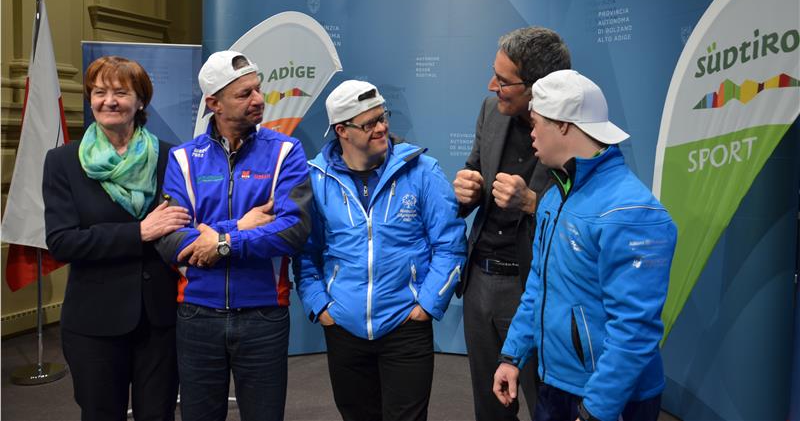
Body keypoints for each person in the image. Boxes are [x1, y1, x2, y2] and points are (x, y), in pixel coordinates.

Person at [493, 70, 677, 421]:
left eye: (536, 123)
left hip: (612, 400)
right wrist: (512, 356)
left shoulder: (631, 212)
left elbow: (634, 329)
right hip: (556, 385)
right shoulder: (554, 198)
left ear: (563, 125)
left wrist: (597, 410)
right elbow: (539, 286)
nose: (531, 134)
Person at [294, 80, 467, 421]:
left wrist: (427, 305)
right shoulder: (317, 178)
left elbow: (450, 244)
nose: (382, 127)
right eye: (369, 123)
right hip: (343, 327)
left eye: (382, 116)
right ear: (342, 130)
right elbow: (305, 253)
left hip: (406, 326)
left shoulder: (423, 171)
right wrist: (321, 306)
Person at [155, 50, 312, 421]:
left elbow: (294, 229)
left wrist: (223, 242)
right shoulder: (182, 159)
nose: (259, 99)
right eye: (244, 94)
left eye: (258, 89)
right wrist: (241, 226)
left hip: (264, 315)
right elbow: (169, 240)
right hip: (197, 314)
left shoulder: (286, 152)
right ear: (214, 104)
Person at [43, 56, 191, 421]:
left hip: (160, 318)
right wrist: (138, 232)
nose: (109, 101)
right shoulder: (63, 162)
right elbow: (62, 241)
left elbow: (182, 225)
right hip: (94, 321)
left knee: (158, 415)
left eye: (121, 93)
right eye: (99, 92)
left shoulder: (171, 157)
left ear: (140, 101)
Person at [452, 26, 571, 420]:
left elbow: (585, 214)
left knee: (545, 405)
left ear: (537, 88)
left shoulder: (574, 128)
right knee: (490, 406)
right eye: (495, 75)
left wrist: (532, 203)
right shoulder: (491, 111)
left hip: (535, 288)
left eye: (503, 82)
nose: (492, 87)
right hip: (480, 282)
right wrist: (466, 192)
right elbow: (474, 172)